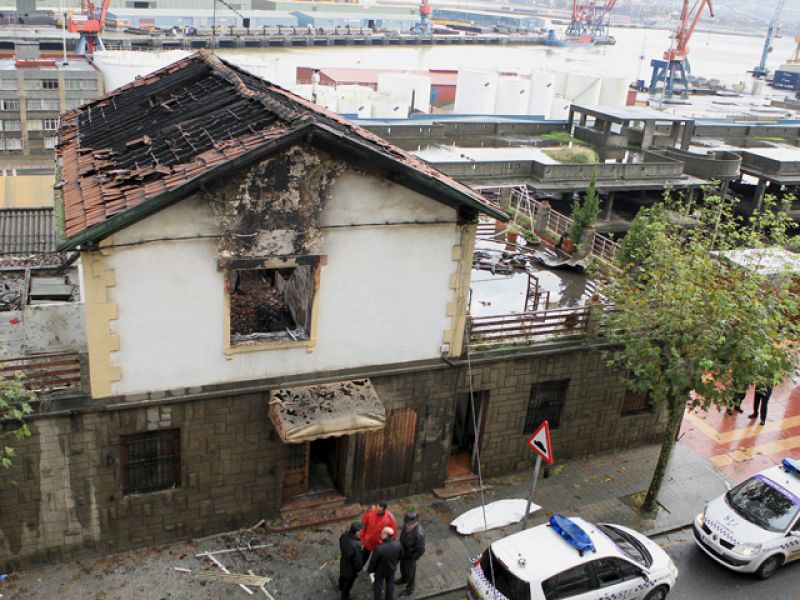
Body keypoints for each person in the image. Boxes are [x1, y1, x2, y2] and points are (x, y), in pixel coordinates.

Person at [368, 526, 403, 600]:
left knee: (377, 586)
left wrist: (370, 570)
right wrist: (395, 563)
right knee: (390, 584)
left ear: (385, 535)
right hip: (391, 569)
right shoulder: (398, 544)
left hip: (379, 572)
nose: (381, 533)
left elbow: (373, 562)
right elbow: (401, 555)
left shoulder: (379, 548)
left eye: (382, 532)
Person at [396, 512, 425, 597]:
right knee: (402, 567)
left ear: (416, 522)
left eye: (410, 524)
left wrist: (413, 558)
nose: (408, 525)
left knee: (411, 573)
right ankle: (403, 579)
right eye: (407, 523)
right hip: (403, 552)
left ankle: (410, 589)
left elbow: (421, 550)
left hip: (410, 557)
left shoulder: (419, 534)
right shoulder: (406, 525)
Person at [339, 521, 365, 600]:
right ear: (357, 532)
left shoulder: (344, 535)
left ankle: (340, 586)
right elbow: (357, 561)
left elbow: (340, 543)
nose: (361, 532)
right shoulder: (356, 544)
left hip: (343, 562)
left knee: (342, 578)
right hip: (350, 571)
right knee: (347, 587)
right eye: (360, 531)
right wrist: (358, 569)